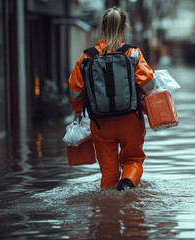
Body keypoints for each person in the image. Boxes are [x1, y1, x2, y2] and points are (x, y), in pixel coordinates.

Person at [68, 7, 155, 190]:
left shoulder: (87, 57)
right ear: (124, 27)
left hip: (101, 123)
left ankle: (108, 213)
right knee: (133, 159)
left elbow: (76, 91)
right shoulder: (132, 54)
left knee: (108, 171)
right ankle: (127, 183)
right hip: (130, 119)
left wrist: (77, 112)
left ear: (102, 27)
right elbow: (148, 84)